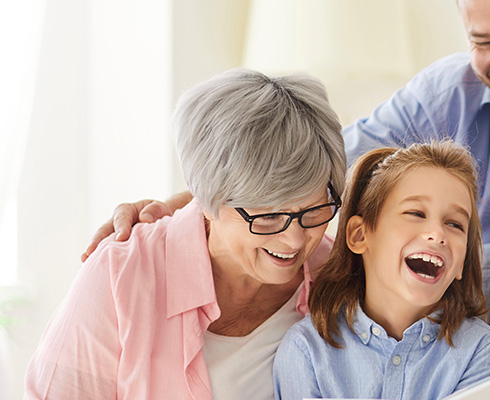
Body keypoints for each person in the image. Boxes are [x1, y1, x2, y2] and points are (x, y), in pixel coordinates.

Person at [81, 0, 490, 332]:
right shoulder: (446, 92)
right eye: (483, 41)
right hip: (482, 314)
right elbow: (318, 170)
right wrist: (196, 199)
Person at [25, 69, 346, 399]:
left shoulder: (338, 275)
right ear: (206, 197)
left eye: (314, 210)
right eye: (269, 216)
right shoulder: (121, 277)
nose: (295, 240)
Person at [273, 142, 490, 399]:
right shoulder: (305, 351)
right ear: (359, 235)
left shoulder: (481, 352)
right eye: (416, 213)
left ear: (461, 262)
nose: (438, 234)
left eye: (455, 224)